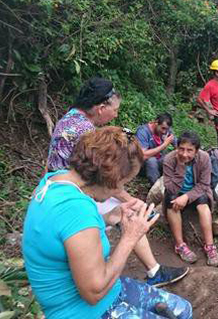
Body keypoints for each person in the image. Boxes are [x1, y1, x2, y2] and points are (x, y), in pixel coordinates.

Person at [24, 127, 192, 319]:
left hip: (110, 291)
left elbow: (67, 236)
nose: (120, 191)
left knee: (182, 310)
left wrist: (108, 217)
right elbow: (94, 293)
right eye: (123, 183)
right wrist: (130, 237)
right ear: (111, 178)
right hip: (85, 311)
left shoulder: (55, 180)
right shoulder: (76, 209)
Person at [46, 77, 188, 287]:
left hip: (55, 186)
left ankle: (153, 270)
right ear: (102, 107)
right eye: (115, 109)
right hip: (74, 195)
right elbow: (104, 179)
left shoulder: (69, 119)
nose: (116, 114)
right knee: (128, 213)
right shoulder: (87, 133)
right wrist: (131, 200)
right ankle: (151, 272)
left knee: (122, 211)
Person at [163, 131, 218, 267]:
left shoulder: (204, 158)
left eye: (189, 150)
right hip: (176, 193)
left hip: (196, 193)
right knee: (171, 201)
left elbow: (204, 184)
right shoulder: (169, 159)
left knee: (203, 204)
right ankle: (180, 245)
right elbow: (169, 186)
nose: (184, 154)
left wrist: (187, 197)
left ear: (196, 151)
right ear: (177, 148)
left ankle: (210, 246)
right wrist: (181, 166)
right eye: (181, 149)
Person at [135, 113, 177, 184]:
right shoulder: (143, 132)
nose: (164, 131)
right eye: (163, 128)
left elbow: (179, 146)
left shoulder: (166, 131)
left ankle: (174, 184)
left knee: (174, 156)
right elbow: (142, 155)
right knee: (152, 161)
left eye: (167, 129)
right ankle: (156, 187)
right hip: (142, 164)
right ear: (156, 122)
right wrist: (164, 145)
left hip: (159, 161)